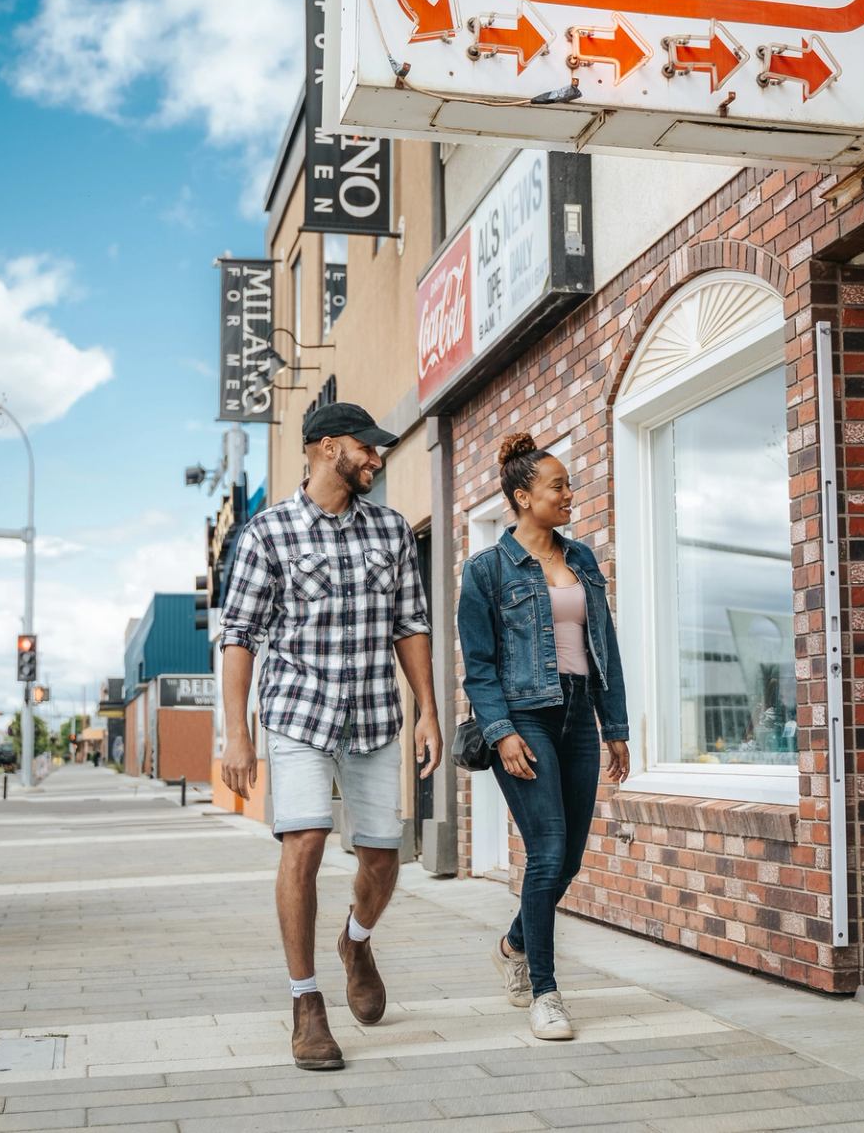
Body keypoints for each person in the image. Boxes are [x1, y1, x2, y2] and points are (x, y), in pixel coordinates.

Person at [219, 401, 442, 1072]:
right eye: (365, 448)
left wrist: (428, 709)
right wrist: (238, 735)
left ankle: (356, 941)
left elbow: (411, 624)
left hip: (374, 713)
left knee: (383, 858)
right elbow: (238, 638)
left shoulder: (393, 530)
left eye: (379, 451)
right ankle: (306, 1001)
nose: (376, 458)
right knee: (307, 840)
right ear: (323, 447)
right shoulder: (267, 535)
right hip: (298, 713)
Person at [457, 433, 629, 1042]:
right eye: (557, 486)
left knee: (570, 859)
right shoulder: (486, 571)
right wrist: (501, 732)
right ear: (523, 495)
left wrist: (617, 727)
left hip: (580, 716)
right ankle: (545, 989)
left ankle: (511, 943)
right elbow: (478, 666)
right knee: (549, 853)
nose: (568, 494)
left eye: (567, 484)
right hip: (524, 718)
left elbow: (602, 646)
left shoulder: (581, 559)